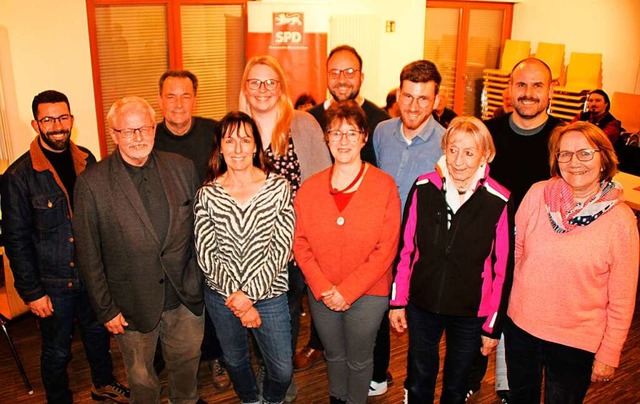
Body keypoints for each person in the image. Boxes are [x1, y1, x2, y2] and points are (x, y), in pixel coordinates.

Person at [0, 90, 129, 404]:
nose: (57, 125)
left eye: (62, 117)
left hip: (91, 274)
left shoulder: (86, 159)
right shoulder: (18, 176)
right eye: (48, 119)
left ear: (71, 119)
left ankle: (104, 384)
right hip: (53, 282)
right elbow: (15, 240)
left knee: (99, 335)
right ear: (36, 124)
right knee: (56, 350)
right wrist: (31, 292)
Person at [73, 96, 205, 403]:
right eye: (128, 131)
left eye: (144, 128)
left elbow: (200, 231)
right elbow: (88, 254)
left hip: (184, 297)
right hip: (129, 305)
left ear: (154, 129)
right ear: (114, 134)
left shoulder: (183, 168)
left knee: (186, 370)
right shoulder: (92, 184)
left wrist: (198, 280)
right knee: (142, 379)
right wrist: (105, 308)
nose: (137, 137)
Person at [505, 121, 639, 403]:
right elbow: (514, 252)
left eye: (585, 153)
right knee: (520, 397)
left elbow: (623, 297)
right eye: (564, 154)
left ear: (604, 159)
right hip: (522, 328)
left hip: (576, 340)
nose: (574, 162)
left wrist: (609, 352)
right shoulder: (537, 194)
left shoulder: (620, 221)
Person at [389, 116, 515, 403]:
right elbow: (406, 248)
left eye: (469, 153)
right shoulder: (423, 188)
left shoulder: (499, 200)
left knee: (456, 385)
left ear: (485, 155)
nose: (459, 161)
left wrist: (493, 325)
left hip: (470, 313)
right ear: (444, 148)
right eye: (453, 150)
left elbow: (502, 269)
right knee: (419, 378)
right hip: (422, 305)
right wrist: (398, 300)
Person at [467, 57, 563, 402]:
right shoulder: (487, 133)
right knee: (479, 319)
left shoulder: (562, 139)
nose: (528, 93)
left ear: (551, 90)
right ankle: (470, 380)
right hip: (488, 248)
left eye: (537, 85)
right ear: (509, 89)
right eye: (521, 85)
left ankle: (509, 388)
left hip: (541, 253)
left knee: (524, 326)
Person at [293, 100, 401, 404]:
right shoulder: (310, 188)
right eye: (336, 133)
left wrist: (348, 290)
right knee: (334, 355)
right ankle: (337, 399)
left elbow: (386, 247)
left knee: (359, 357)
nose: (343, 141)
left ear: (364, 138)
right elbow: (300, 242)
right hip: (322, 291)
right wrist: (324, 287)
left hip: (369, 293)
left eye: (351, 133)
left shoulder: (384, 186)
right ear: (326, 138)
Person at [239, 54, 331, 401]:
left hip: (292, 246)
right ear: (245, 88)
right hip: (246, 247)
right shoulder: (235, 126)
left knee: (286, 319)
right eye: (255, 82)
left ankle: (281, 383)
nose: (262, 89)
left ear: (281, 87)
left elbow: (322, 183)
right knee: (252, 317)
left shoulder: (303, 124)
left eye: (270, 82)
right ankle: (266, 376)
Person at [194, 111, 295, 404]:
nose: (237, 148)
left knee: (282, 368)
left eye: (245, 140)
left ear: (255, 146)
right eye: (230, 140)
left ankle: (272, 400)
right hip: (223, 297)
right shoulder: (207, 195)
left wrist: (248, 295)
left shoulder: (278, 187)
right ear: (220, 148)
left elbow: (281, 248)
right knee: (235, 360)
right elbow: (206, 253)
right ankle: (250, 399)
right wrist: (237, 299)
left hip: (270, 294)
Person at [153, 69, 230, 392]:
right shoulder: (149, 135)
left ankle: (216, 356)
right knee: (166, 302)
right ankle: (166, 359)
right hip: (166, 239)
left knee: (212, 301)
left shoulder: (214, 131)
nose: (178, 103)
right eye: (171, 96)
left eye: (186, 95)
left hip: (210, 235)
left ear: (195, 98)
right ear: (160, 101)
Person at [374, 59, 446, 210]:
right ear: (398, 95)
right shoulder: (382, 132)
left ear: (436, 101)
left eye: (423, 99)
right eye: (408, 96)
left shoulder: (446, 145)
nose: (413, 107)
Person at [307, 45, 390, 166]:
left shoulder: (381, 123)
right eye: (334, 73)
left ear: (361, 77)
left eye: (350, 72)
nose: (341, 80)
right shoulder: (310, 120)